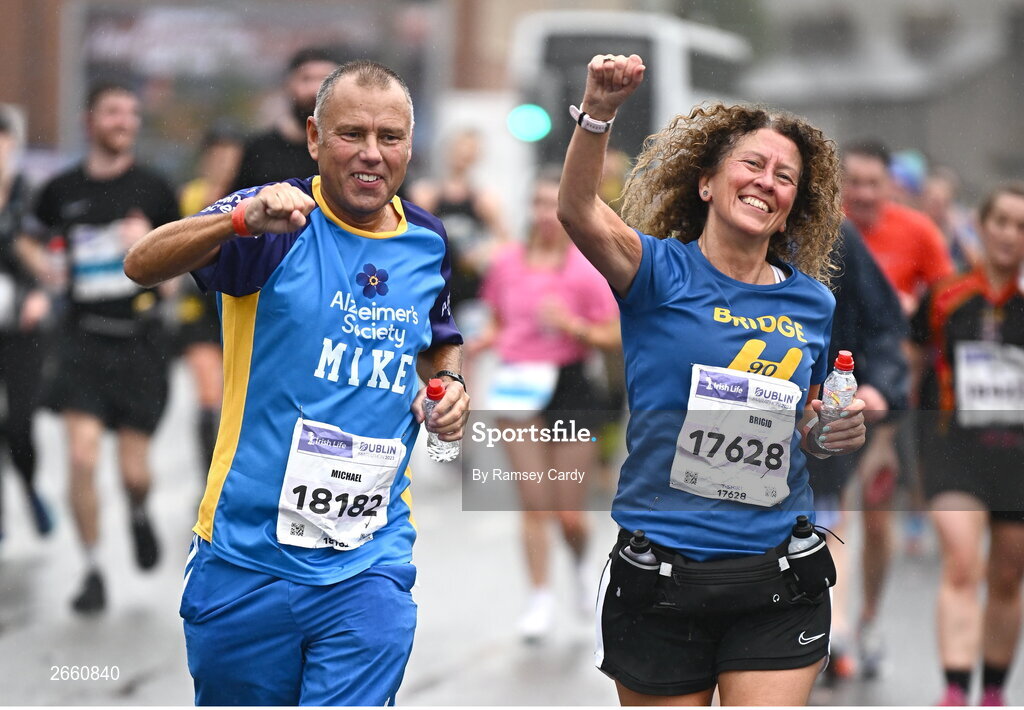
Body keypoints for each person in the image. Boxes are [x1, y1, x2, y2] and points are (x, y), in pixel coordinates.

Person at [124, 59, 470, 706]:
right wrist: (239, 221)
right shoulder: (279, 221)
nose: (372, 154)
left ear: (409, 146)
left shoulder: (426, 239)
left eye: (389, 137)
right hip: (247, 561)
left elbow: (438, 344)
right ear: (314, 138)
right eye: (351, 135)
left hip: (369, 561)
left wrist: (449, 388)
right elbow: (140, 264)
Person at [557, 53, 866, 706]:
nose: (767, 182)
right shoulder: (655, 272)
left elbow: (798, 428)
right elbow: (578, 208)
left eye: (785, 178)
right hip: (664, 581)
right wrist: (599, 113)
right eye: (752, 164)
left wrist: (826, 429)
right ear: (706, 184)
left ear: (788, 212)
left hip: (777, 581)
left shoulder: (813, 303)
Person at [32, 82, 179, 613]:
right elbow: (29, 237)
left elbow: (177, 282)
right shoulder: (60, 190)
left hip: (140, 342)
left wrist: (146, 250)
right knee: (80, 455)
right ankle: (93, 570)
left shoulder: (156, 190)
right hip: (81, 340)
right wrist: (40, 270)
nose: (125, 121)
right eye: (114, 112)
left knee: (134, 473)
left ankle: (138, 513)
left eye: (133, 113)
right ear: (89, 119)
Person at [471, 167, 619, 642]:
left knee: (568, 514)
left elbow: (614, 335)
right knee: (534, 506)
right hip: (517, 385)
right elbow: (497, 319)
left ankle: (578, 568)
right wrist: (480, 342)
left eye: (555, 205)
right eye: (537, 203)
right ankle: (538, 598)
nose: (546, 214)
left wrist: (574, 327)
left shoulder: (585, 267)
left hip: (571, 386)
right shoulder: (507, 263)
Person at [840, 138, 957, 673]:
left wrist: (914, 313)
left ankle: (865, 621)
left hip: (889, 393)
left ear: (891, 187)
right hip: (828, 391)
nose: (863, 193)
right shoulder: (820, 231)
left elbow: (955, 302)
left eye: (873, 183)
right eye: (854, 182)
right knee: (830, 512)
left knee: (876, 520)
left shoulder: (916, 232)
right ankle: (829, 630)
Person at [910, 183, 1024, 706]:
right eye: (1001, 220)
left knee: (1007, 574)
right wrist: (897, 449)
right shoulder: (945, 296)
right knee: (962, 562)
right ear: (981, 224)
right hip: (954, 451)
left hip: (1016, 460)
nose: (1009, 234)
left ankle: (994, 691)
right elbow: (910, 371)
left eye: (1021, 226)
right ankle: (956, 690)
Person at [805, 219, 909, 682]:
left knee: (830, 519)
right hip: (740, 413)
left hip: (831, 403)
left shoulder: (835, 235)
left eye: (786, 176)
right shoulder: (708, 231)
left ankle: (838, 629)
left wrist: (883, 389)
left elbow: (889, 325)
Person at [177, 125, 244, 478]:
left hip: (239, 308)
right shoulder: (188, 197)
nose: (224, 165)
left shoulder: (251, 199)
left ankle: (232, 470)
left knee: (239, 400)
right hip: (199, 310)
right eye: (217, 157)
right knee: (209, 396)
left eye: (231, 158)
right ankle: (209, 477)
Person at [0, 104, 53, 543]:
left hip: (24, 329)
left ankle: (30, 487)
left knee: (18, 425)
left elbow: (52, 263)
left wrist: (39, 294)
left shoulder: (31, 196)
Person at [408, 128, 508, 331]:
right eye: (459, 149)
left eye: (470, 151)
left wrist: (483, 253)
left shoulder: (483, 200)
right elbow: (409, 238)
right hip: (433, 285)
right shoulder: (426, 194)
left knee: (467, 350)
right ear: (447, 151)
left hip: (469, 290)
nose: (463, 156)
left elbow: (506, 243)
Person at [230, 47, 339, 192]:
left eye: (326, 80)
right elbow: (237, 204)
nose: (316, 90)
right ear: (288, 84)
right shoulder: (258, 149)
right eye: (306, 79)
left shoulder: (344, 149)